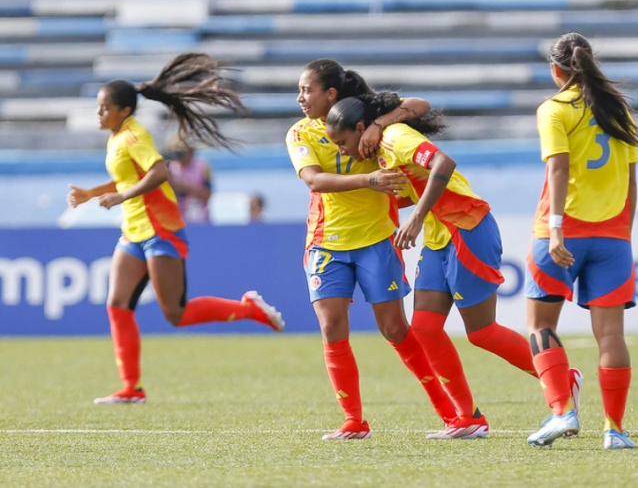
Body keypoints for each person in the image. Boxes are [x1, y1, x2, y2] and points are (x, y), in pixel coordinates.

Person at [325, 93, 583, 440]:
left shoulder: (396, 138)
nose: (342, 151)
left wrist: (415, 217)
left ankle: (562, 379)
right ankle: (467, 418)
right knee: (425, 329)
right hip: (438, 236)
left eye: (342, 143)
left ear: (360, 129)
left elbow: (444, 164)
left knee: (481, 332)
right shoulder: (380, 148)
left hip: (467, 227)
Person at [66, 53, 285, 405]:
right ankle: (131, 387)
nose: (99, 113)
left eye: (104, 107)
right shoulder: (117, 136)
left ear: (123, 110)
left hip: (160, 230)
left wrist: (120, 196)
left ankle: (249, 308)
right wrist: (93, 193)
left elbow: (158, 173)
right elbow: (128, 176)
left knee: (176, 314)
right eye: (98, 107)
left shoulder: (133, 136)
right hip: (135, 232)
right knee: (118, 305)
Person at [286, 59, 458, 440]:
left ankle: (451, 413)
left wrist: (381, 124)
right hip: (326, 243)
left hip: (377, 240)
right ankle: (353, 420)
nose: (300, 98)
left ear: (330, 94)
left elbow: (421, 104)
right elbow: (314, 180)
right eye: (299, 90)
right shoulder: (299, 133)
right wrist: (369, 179)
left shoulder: (363, 116)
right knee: (331, 327)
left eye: (306, 90)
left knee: (395, 329)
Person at [521, 33, 638, 449]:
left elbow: (558, 169)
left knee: (540, 325)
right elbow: (630, 180)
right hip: (612, 236)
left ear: (556, 70)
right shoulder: (617, 106)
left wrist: (555, 228)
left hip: (561, 234)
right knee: (611, 337)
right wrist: (624, 232)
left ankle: (562, 412)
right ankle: (616, 430)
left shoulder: (553, 109)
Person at [166, 138, 213, 225]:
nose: (178, 154)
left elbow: (208, 195)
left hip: (199, 219)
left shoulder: (203, 167)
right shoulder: (168, 167)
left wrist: (186, 187)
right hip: (175, 220)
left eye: (181, 150)